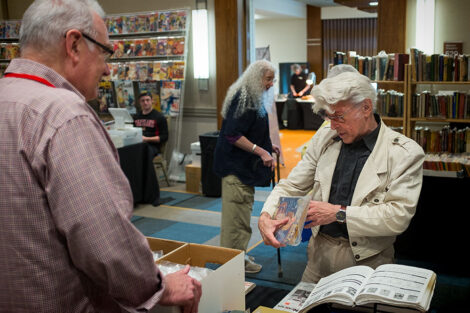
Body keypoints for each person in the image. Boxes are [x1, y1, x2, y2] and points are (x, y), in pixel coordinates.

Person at [0, 1, 201, 312]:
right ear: (74, 44)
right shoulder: (64, 114)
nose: (108, 68)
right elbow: (105, 242)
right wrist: (159, 288)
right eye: (106, 52)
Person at [258, 70, 425, 283]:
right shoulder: (326, 138)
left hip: (368, 263)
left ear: (366, 107)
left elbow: (397, 217)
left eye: (339, 116)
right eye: (329, 116)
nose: (333, 125)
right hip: (317, 258)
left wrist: (339, 213)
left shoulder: (404, 153)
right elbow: (292, 186)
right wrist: (265, 216)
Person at [214, 59, 280, 274]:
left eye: (273, 79)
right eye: (268, 79)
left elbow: (251, 130)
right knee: (236, 220)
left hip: (242, 169)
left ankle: (236, 256)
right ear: (256, 77)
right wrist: (261, 151)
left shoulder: (252, 96)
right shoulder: (244, 98)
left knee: (240, 215)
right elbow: (233, 134)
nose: (271, 84)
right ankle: (234, 264)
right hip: (236, 169)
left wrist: (270, 146)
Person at [134, 92, 169, 157]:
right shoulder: (136, 116)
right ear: (140, 102)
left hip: (153, 146)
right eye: (143, 101)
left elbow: (164, 137)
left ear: (152, 101)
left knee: (142, 153)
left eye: (147, 100)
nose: (145, 103)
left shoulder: (160, 117)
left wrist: (146, 139)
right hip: (138, 144)